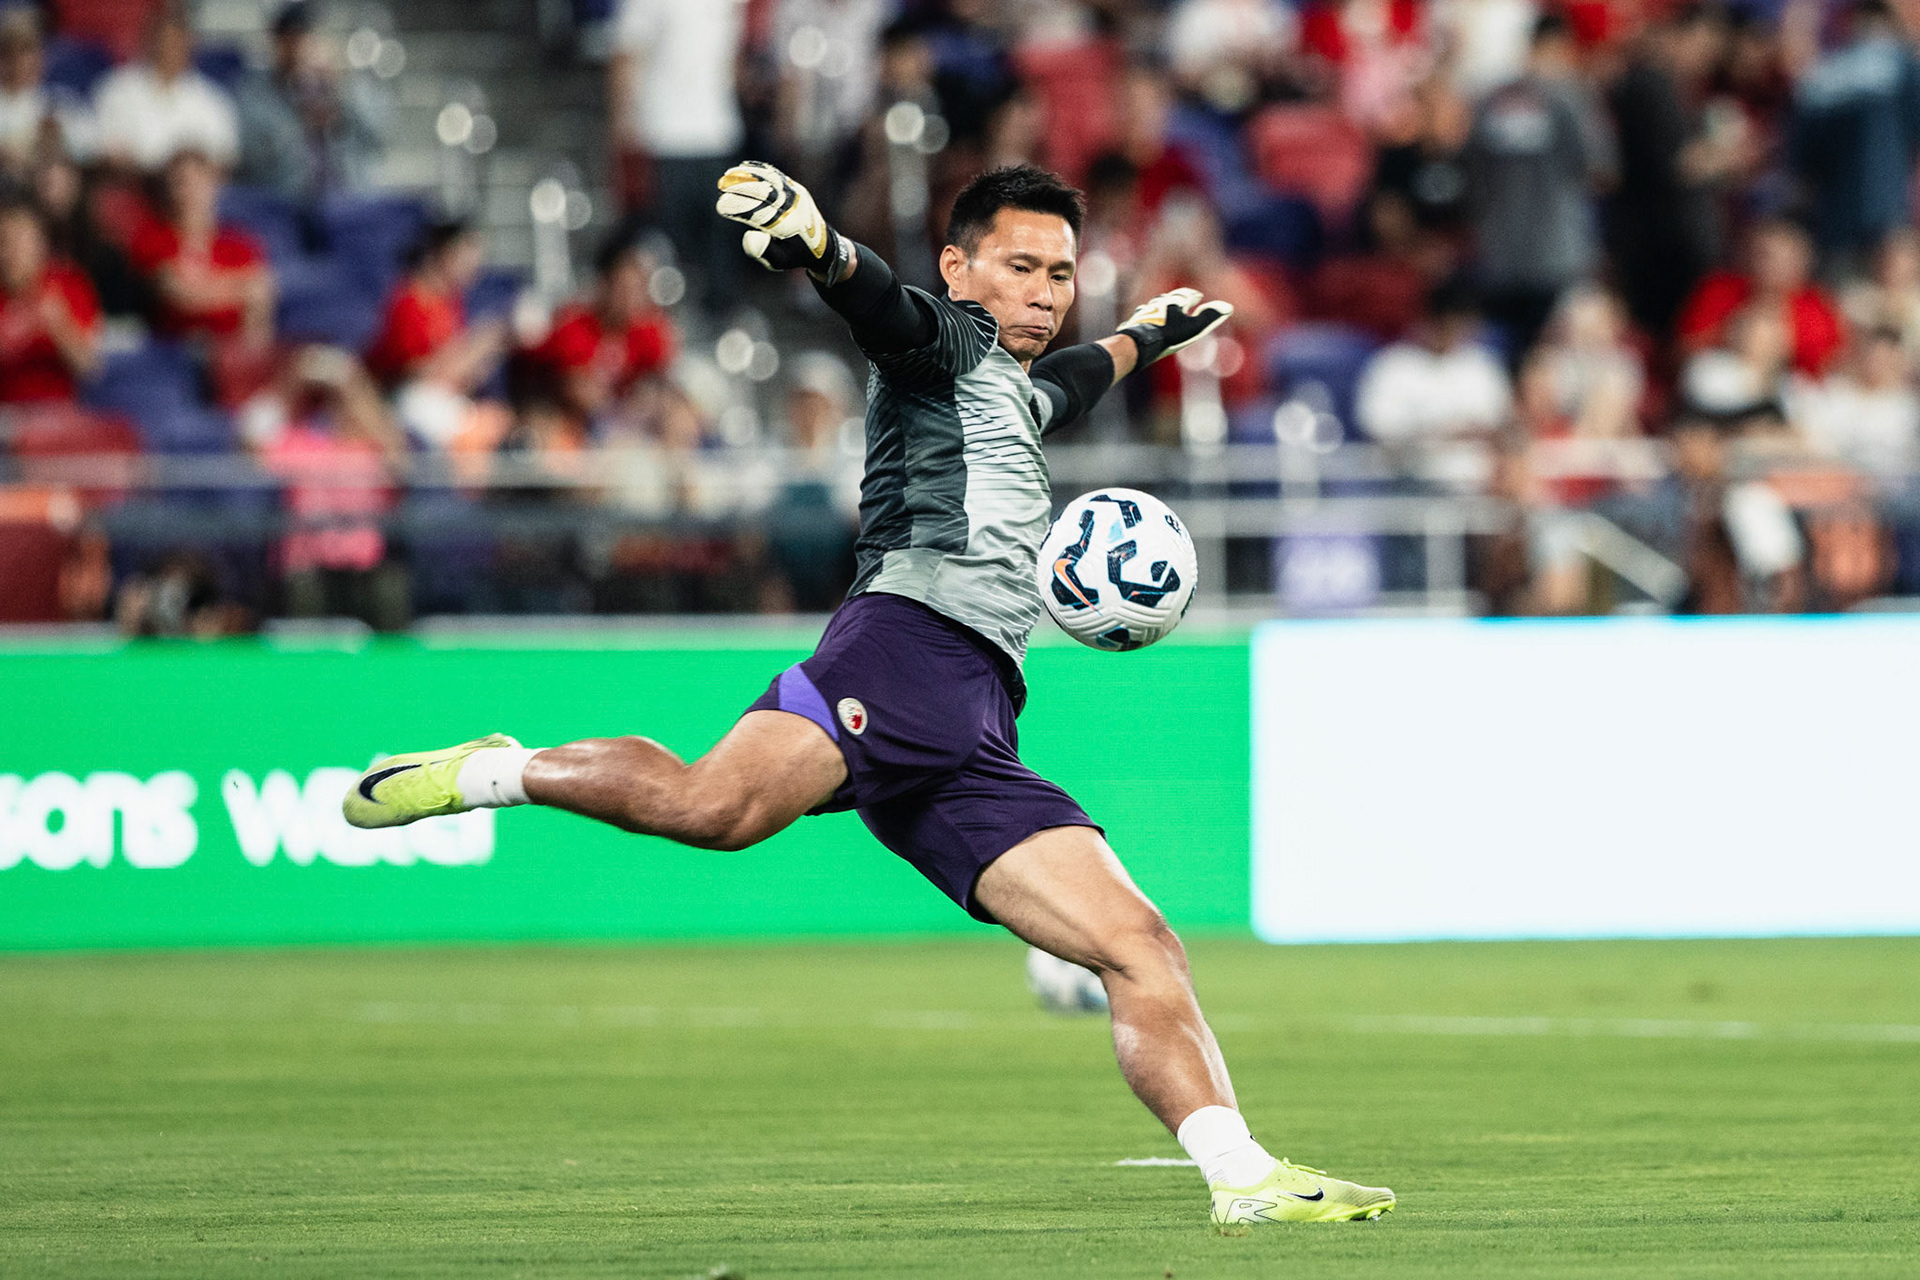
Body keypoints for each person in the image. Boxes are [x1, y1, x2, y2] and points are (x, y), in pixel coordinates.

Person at [342, 161, 1396, 1228]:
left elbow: (1081, 373)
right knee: (714, 809)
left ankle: (1242, 1175)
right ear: (959, 267)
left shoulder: (1019, 391)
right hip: (900, 650)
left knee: (1141, 944)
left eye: (1062, 272)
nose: (1044, 290)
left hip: (978, 712)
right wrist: (818, 245)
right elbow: (877, 305)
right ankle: (496, 767)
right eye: (1021, 266)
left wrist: (1154, 332)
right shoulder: (945, 342)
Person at [1465, 12, 1614, 359]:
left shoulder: (1490, 101)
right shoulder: (1571, 98)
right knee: (1553, 358)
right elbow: (1601, 171)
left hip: (1499, 254)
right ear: (1559, 46)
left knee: (1509, 357)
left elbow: (1471, 175)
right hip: (1557, 255)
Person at [233, 0, 390, 200]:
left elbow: (378, 137)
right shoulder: (252, 91)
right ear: (276, 40)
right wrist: (301, 119)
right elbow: (251, 158)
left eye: (305, 34)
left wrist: (340, 88)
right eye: (291, 37)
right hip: (285, 206)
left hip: (347, 202)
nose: (299, 45)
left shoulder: (339, 83)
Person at [128, 149, 275, 349]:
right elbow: (179, 295)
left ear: (215, 185)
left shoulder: (240, 244)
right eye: (181, 182)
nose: (191, 190)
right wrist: (241, 288)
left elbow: (261, 299)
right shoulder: (153, 238)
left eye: (199, 180)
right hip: (176, 352)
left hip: (233, 350)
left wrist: (204, 287)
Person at [92, 3, 240, 172]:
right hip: (134, 188)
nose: (170, 50)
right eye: (164, 41)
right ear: (149, 41)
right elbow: (105, 151)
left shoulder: (212, 100)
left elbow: (223, 159)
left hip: (188, 191)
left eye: (178, 42)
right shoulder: (117, 90)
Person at [0, 200, 100, 403]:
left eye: (22, 241)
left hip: (56, 410)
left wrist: (59, 325)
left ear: (41, 245)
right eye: (5, 241)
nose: (13, 252)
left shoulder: (69, 284)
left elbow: (89, 367)